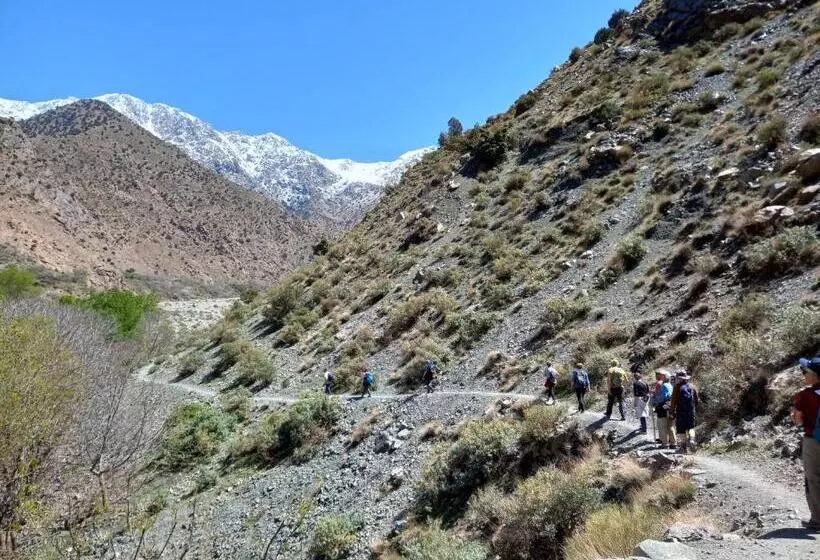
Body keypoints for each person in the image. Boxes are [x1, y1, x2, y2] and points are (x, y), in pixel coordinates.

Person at [792, 356, 820, 531]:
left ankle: (817, 520)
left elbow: (798, 421)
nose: (803, 374)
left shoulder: (804, 395)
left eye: (805, 372)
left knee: (814, 479)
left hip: (813, 441)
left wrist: (794, 416)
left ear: (816, 376)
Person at [670, 371, 698, 453]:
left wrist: (672, 412)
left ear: (679, 378)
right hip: (691, 411)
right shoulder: (692, 386)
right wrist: (693, 408)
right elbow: (696, 400)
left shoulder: (677, 387)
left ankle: (683, 447)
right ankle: (692, 440)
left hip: (680, 412)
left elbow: (673, 401)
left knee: (681, 430)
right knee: (691, 427)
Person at [653, 370, 676, 448]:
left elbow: (662, 398)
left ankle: (664, 443)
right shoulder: (670, 385)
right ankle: (673, 443)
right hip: (670, 407)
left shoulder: (663, 386)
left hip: (662, 408)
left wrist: (655, 398)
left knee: (662, 426)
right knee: (670, 426)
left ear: (663, 377)